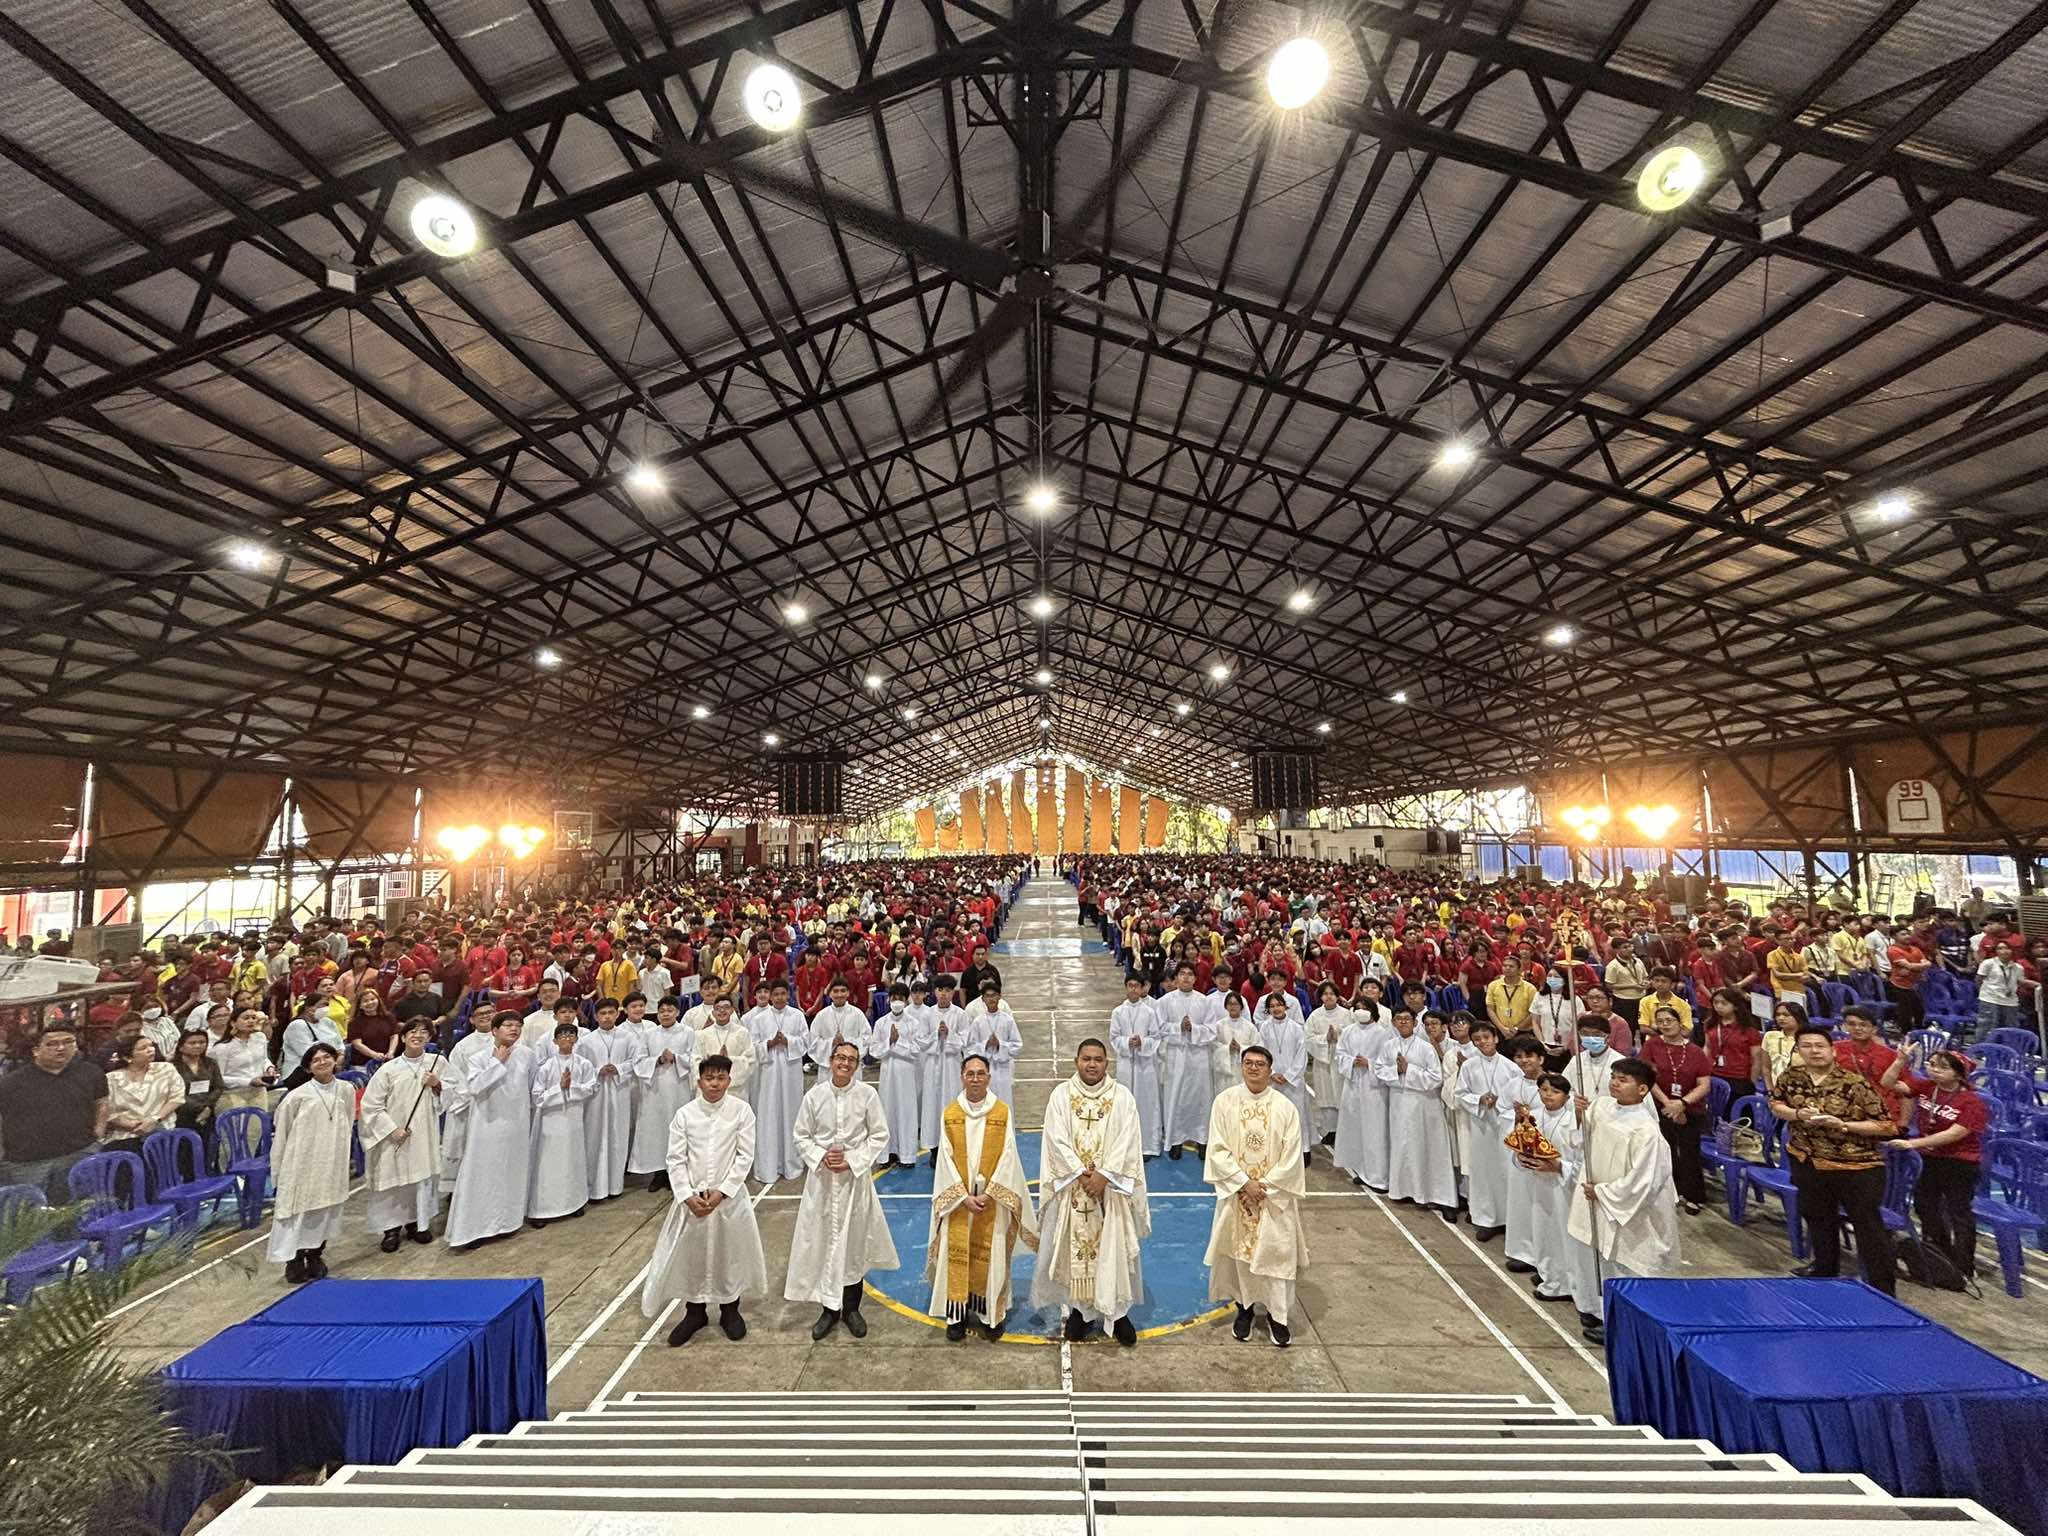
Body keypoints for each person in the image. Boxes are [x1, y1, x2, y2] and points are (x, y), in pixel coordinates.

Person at [1032, 1039, 1150, 1346]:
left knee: (1114, 1251)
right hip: (1074, 1188)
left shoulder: (1121, 1097)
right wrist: (1081, 1174)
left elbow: (1128, 1140)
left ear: (1106, 1063)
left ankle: (1118, 1313)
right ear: (1076, 1061)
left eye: (1098, 1059)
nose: (1092, 1064)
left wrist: (1105, 1175)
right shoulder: (1062, 1095)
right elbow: (1055, 1138)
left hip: (1110, 1191)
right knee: (1077, 1255)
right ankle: (1080, 1312)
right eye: (1086, 1059)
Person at [643, 1054, 766, 1345]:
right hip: (693, 1202)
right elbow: (675, 1159)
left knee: (729, 1255)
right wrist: (686, 1195)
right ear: (699, 1081)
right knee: (693, 1259)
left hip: (728, 1200)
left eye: (721, 1078)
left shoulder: (741, 1111)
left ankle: (730, 1310)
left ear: (729, 1080)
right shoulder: (685, 1114)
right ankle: (694, 1312)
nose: (715, 1084)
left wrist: (722, 1191)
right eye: (709, 1078)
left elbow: (744, 1156)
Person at [1769, 1023, 1896, 1294]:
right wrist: (1797, 1115)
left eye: (1820, 1046)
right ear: (1799, 1050)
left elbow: (1887, 1127)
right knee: (1818, 1218)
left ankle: (1883, 1289)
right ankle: (1825, 1270)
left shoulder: (1856, 1083)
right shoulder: (1791, 1077)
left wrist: (1843, 1125)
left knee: (1868, 1228)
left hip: (1856, 1167)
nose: (1814, 1051)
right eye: (1807, 1046)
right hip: (1807, 1160)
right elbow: (1776, 1104)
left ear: (1833, 1050)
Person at [786, 1040, 900, 1339]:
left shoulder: (867, 1095)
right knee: (824, 1243)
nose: (845, 1063)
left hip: (854, 1182)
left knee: (853, 1244)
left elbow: (879, 1135)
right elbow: (801, 1135)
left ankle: (851, 1308)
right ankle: (828, 1310)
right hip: (823, 1182)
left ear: (857, 1064)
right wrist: (821, 1155)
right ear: (830, 1060)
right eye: (840, 1058)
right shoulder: (815, 1095)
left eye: (851, 1059)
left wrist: (851, 1160)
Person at [1568, 1057, 1681, 1343]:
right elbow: (1582, 1138)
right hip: (1602, 1200)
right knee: (1606, 1261)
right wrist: (1580, 1114)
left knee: (1633, 1268)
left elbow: (1645, 1182)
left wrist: (1604, 1193)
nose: (1615, 1083)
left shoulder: (1646, 1130)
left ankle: (1636, 1330)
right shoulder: (1603, 1106)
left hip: (1631, 1211)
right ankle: (1606, 1313)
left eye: (1624, 1079)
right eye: (1614, 1077)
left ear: (1643, 1089)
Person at [1204, 1044, 1308, 1348]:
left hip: (1272, 1199)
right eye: (1248, 1063)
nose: (1253, 1068)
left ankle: (1278, 1317)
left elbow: (1292, 1157)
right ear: (1240, 1066)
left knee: (1276, 1259)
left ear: (1269, 1069)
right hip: (1239, 1195)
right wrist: (1242, 1183)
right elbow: (1217, 1147)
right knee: (1241, 1258)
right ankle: (1244, 1309)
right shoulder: (1225, 1102)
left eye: (1259, 1064)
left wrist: (1263, 1187)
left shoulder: (1285, 1107)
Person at [926, 1053, 1036, 1341]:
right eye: (970, 1073)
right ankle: (957, 1315)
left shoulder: (1001, 1111)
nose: (975, 1079)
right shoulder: (951, 1113)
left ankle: (990, 1314)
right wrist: (962, 1197)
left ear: (989, 1077)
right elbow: (945, 1161)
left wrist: (990, 1192)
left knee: (992, 1255)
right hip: (960, 1203)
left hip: (990, 1201)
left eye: (980, 1073)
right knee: (957, 1256)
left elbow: (1009, 1154)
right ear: (962, 1077)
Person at [1883, 1048, 1991, 1282]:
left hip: (1960, 1163)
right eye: (1932, 1064)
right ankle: (1939, 1257)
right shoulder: (1927, 1087)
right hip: (1930, 1158)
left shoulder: (1972, 1102)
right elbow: (1888, 1082)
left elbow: (1955, 1134)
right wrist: (1899, 1061)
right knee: (1924, 1206)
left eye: (1942, 1067)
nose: (1934, 1070)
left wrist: (1913, 1143)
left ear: (1959, 1074)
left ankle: (1964, 1266)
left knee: (1958, 1212)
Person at [443, 1013, 537, 1250]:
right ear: (494, 1030)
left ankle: (507, 1222)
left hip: (516, 1124)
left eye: (518, 1025)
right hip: (487, 1125)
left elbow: (533, 1089)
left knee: (510, 1172)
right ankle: (473, 1230)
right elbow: (475, 1087)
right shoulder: (479, 1058)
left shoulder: (527, 1055)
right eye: (508, 1025)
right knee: (483, 1174)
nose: (514, 1029)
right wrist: (498, 1062)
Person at [268, 1042, 356, 1283]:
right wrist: (280, 1167)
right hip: (302, 1160)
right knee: (298, 1210)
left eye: (327, 1057)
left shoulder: (346, 1089)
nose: (323, 1062)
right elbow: (283, 1132)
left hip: (331, 1159)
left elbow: (348, 1121)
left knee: (325, 1208)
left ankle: (316, 1254)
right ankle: (294, 1259)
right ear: (308, 1067)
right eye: (316, 1060)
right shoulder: (297, 1096)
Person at [358, 1018, 444, 1249]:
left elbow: (458, 1095)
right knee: (394, 1182)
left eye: (424, 1032)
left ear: (429, 1037)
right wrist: (391, 1130)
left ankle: (418, 1223)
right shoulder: (389, 1069)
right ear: (403, 1037)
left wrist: (437, 1085)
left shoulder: (438, 1063)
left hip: (424, 1134)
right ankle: (391, 1229)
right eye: (412, 1031)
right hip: (395, 1136)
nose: (418, 1035)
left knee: (420, 1179)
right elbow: (370, 1106)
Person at [0, 1023, 109, 1200]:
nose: (61, 1048)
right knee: (33, 1218)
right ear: (36, 1050)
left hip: (80, 1152)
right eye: (52, 1044)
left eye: (68, 1042)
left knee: (79, 1209)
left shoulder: (91, 1073)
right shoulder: (11, 1083)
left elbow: (101, 1101)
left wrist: (98, 1133)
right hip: (29, 1163)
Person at [1376, 1009, 1455, 1215]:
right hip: (1399, 1103)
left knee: (1426, 1148)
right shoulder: (1388, 1046)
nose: (1403, 1023)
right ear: (1393, 1022)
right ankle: (1404, 1190)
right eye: (1399, 1019)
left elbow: (1436, 1078)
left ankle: (1432, 1194)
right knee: (1403, 1146)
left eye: (1407, 1019)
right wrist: (1396, 1071)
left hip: (1424, 1105)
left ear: (1414, 1023)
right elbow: (1380, 1070)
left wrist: (1408, 1070)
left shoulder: (1425, 1048)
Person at [1637, 1004, 1711, 1216]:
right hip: (1659, 1106)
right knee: (1664, 1149)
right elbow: (1646, 1077)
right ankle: (1670, 1189)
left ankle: (1694, 1195)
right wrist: (1668, 1103)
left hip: (1690, 1108)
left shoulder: (1695, 1051)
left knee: (1689, 1152)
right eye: (1660, 1022)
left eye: (1669, 1020)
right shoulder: (1652, 1046)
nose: (1665, 1025)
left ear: (1680, 1023)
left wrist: (1682, 1104)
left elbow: (1704, 1085)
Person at [1453, 1020, 1519, 1240]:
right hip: (1481, 1126)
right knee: (1483, 1172)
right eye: (1477, 1039)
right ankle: (1486, 1218)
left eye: (1486, 1037)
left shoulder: (1511, 1067)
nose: (1482, 1042)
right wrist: (1479, 1100)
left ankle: (1509, 1220)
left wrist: (1501, 1105)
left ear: (1496, 1038)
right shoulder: (1469, 1066)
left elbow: (1520, 1099)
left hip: (1504, 1126)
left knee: (1504, 1171)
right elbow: (1460, 1095)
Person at [529, 1019, 597, 1226]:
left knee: (573, 1159)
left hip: (574, 1118)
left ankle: (575, 1203)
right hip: (552, 1121)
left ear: (576, 1039)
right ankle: (542, 1210)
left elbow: (592, 1087)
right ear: (555, 1041)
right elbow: (537, 1096)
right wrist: (559, 1088)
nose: (567, 1039)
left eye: (570, 1035)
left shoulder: (584, 1063)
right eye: (562, 1036)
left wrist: (572, 1087)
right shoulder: (547, 1066)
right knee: (549, 1163)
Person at [577, 997, 640, 1203]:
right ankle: (595, 1187)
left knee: (617, 1136)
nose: (606, 1017)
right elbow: (581, 1068)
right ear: (596, 1016)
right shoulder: (586, 1041)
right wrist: (597, 1071)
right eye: (602, 1013)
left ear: (617, 1014)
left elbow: (636, 1061)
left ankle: (615, 1185)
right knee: (595, 1137)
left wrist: (619, 1068)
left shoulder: (627, 1037)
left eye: (610, 1013)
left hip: (619, 1091)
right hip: (596, 1095)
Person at [631, 995, 696, 1193]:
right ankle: (659, 1173)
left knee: (677, 1129)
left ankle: (676, 1174)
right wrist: (658, 1060)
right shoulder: (649, 1034)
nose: (665, 1014)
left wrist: (676, 1058)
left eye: (670, 1010)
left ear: (677, 1012)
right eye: (662, 1011)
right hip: (655, 1090)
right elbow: (639, 1061)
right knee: (656, 1131)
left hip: (679, 1088)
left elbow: (695, 1058)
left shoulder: (688, 1032)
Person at [1333, 999, 1392, 1191]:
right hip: (1353, 1085)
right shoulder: (1349, 1031)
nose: (1361, 1011)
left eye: (1365, 1008)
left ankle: (1378, 1176)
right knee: (1356, 1128)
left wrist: (1370, 1064)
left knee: (1374, 1131)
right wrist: (1351, 1062)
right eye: (1357, 1008)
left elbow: (1387, 1060)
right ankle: (1361, 1170)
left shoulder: (1383, 1033)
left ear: (1373, 1011)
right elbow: (1339, 1054)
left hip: (1374, 1088)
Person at [870, 982, 928, 1169]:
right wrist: (889, 1042)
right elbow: (874, 1051)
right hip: (887, 1073)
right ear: (889, 1000)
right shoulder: (881, 1023)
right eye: (894, 998)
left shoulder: (913, 1023)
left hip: (906, 1072)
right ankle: (887, 1154)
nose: (897, 1002)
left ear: (906, 1000)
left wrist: (898, 1042)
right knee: (888, 1110)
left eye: (901, 999)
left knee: (906, 1111)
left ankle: (907, 1154)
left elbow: (918, 1049)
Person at [1111, 973, 1165, 1159]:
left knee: (1146, 1103)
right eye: (1130, 985)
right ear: (1126, 987)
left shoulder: (1150, 1012)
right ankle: (1125, 1146)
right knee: (1125, 1103)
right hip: (1126, 1063)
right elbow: (1114, 1037)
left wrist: (1142, 1042)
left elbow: (1156, 1037)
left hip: (1145, 1065)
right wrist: (1127, 1042)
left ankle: (1147, 1146)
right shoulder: (1118, 1012)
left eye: (1136, 986)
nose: (1133, 989)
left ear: (1142, 988)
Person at [101, 1034, 183, 1154]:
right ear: (128, 1057)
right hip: (126, 1134)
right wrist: (129, 1124)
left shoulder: (166, 1068)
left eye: (151, 1045)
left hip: (162, 1129)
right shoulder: (111, 1078)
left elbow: (177, 1097)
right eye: (142, 1048)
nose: (150, 1049)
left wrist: (154, 1119)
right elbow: (107, 1111)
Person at [918, 974, 971, 1157]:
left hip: (951, 1065)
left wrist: (949, 1036)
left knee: (951, 1102)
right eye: (940, 990)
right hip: (932, 1065)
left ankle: (953, 1146)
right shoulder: (927, 1014)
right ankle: (934, 1148)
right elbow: (921, 1041)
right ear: (934, 992)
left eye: (948, 991)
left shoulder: (960, 1015)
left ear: (953, 993)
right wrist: (936, 1035)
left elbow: (965, 1040)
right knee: (932, 1103)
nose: (943, 994)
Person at [1257, 991, 1311, 1166]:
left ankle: (1303, 1150)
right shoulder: (1264, 1028)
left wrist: (1289, 1076)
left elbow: (1301, 1055)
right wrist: (1271, 1073)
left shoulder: (1296, 1028)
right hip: (1272, 1080)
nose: (1276, 1009)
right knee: (1273, 1117)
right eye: (1272, 1006)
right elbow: (1261, 1052)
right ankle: (1275, 1150)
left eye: (1279, 1005)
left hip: (1292, 1082)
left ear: (1285, 1006)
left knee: (1297, 1116)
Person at [1304, 981, 1349, 1147]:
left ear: (1337, 996)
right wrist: (1325, 1039)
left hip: (1339, 1062)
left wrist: (1338, 1035)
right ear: (1321, 996)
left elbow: (1352, 1036)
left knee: (1340, 1094)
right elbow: (1308, 1038)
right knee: (1326, 1095)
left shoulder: (1346, 1014)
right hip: (1323, 1061)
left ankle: (1343, 1130)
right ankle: (1330, 1130)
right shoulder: (1315, 1016)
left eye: (1332, 993)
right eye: (1325, 993)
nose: (1328, 996)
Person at [692, 994, 757, 1102]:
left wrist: (729, 1060)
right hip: (709, 1088)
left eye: (726, 1007)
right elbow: (695, 1060)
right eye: (718, 1008)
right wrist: (712, 1067)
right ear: (713, 1012)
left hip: (735, 1091)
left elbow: (751, 1060)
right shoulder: (702, 1034)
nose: (722, 1011)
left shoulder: (742, 1032)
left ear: (732, 1010)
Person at [969, 981, 1025, 1102]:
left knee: (1003, 1102)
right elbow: (971, 1048)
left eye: (993, 995)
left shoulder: (1007, 1020)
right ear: (983, 999)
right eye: (987, 996)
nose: (991, 999)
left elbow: (1017, 1045)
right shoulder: (978, 1021)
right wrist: (986, 1045)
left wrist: (1000, 1044)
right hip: (984, 1070)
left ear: (999, 996)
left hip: (1003, 1069)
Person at [170, 1027, 224, 1134]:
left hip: (208, 1111)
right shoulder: (172, 1067)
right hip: (181, 1114)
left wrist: (207, 1107)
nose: (198, 1046)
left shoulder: (210, 1063)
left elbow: (218, 1086)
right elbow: (174, 1093)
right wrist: (199, 1108)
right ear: (181, 1046)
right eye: (192, 1043)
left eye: (202, 1042)